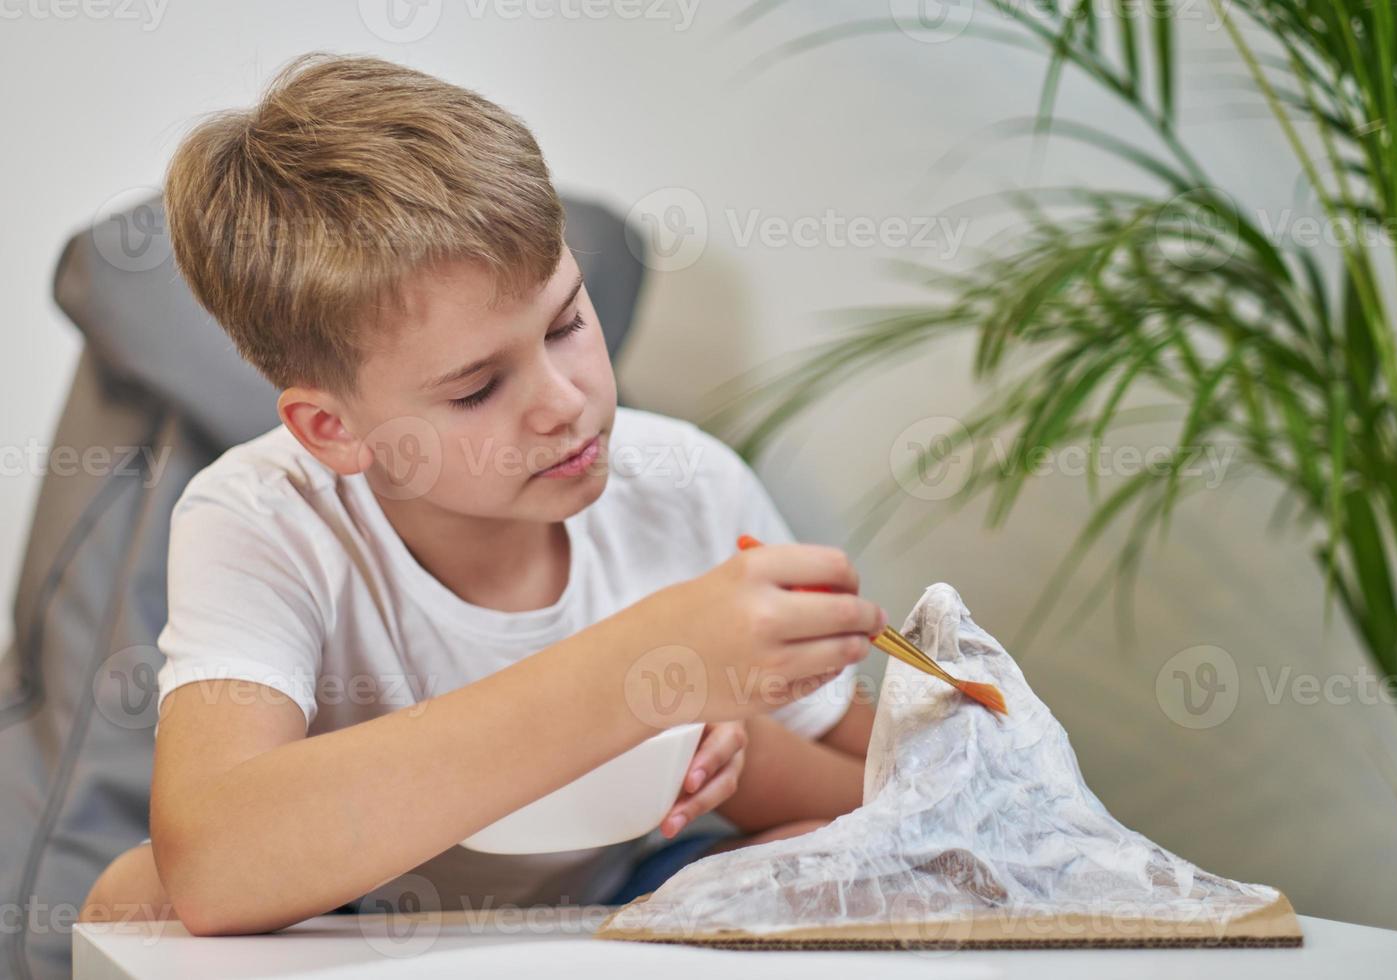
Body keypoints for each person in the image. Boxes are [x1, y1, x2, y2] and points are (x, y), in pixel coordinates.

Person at [79, 51, 885, 935]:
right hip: (355, 912)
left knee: (835, 861)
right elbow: (214, 867)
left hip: (623, 897)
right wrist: (642, 668)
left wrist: (719, 728)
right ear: (332, 431)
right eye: (475, 390)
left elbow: (880, 791)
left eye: (569, 324)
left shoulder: (688, 486)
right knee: (136, 899)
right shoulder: (264, 516)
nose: (565, 402)